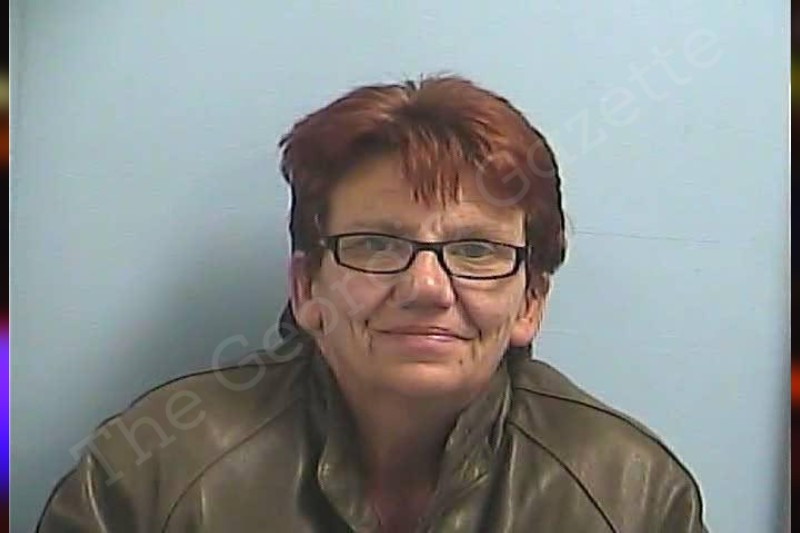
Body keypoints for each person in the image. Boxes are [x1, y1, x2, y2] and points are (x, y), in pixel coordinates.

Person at [37, 75, 707, 532]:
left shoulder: (629, 493)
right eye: (378, 244)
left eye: (475, 250)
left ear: (530, 302)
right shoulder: (155, 469)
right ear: (307, 288)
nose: (426, 287)